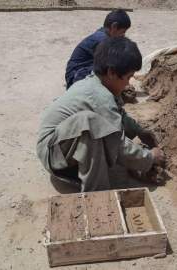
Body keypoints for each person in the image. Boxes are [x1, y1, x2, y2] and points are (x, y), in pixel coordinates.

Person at [37, 37, 165, 192]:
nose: (128, 84)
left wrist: (140, 131)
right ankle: (97, 196)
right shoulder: (99, 97)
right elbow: (118, 142)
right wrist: (149, 157)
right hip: (54, 156)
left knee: (102, 125)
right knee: (91, 123)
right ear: (111, 72)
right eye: (128, 77)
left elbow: (118, 115)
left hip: (60, 144)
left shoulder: (97, 82)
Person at [65, 9, 131, 89]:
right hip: (75, 77)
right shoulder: (102, 40)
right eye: (123, 32)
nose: (123, 35)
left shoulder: (102, 34)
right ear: (114, 27)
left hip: (78, 72)